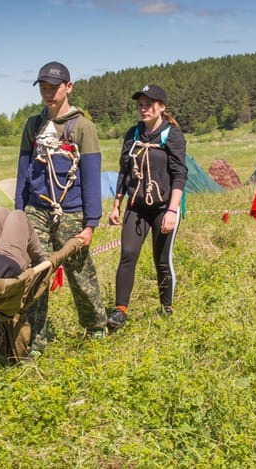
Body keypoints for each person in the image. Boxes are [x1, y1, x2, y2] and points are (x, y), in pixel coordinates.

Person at [14, 61, 107, 357]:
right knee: (36, 273)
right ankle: (35, 340)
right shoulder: (33, 125)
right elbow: (22, 171)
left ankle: (95, 325)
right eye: (43, 88)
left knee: (79, 271)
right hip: (36, 210)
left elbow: (92, 176)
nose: (48, 93)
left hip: (72, 212)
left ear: (68, 87)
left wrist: (91, 223)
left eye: (54, 87)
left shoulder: (82, 127)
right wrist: (19, 212)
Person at [106, 84, 187, 331]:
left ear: (161, 106)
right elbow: (124, 171)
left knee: (161, 260)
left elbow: (179, 174)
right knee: (128, 255)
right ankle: (120, 311)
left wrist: (172, 211)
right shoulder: (132, 135)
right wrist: (116, 205)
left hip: (164, 207)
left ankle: (167, 308)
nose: (143, 109)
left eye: (148, 105)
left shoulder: (171, 135)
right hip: (137, 207)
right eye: (140, 105)